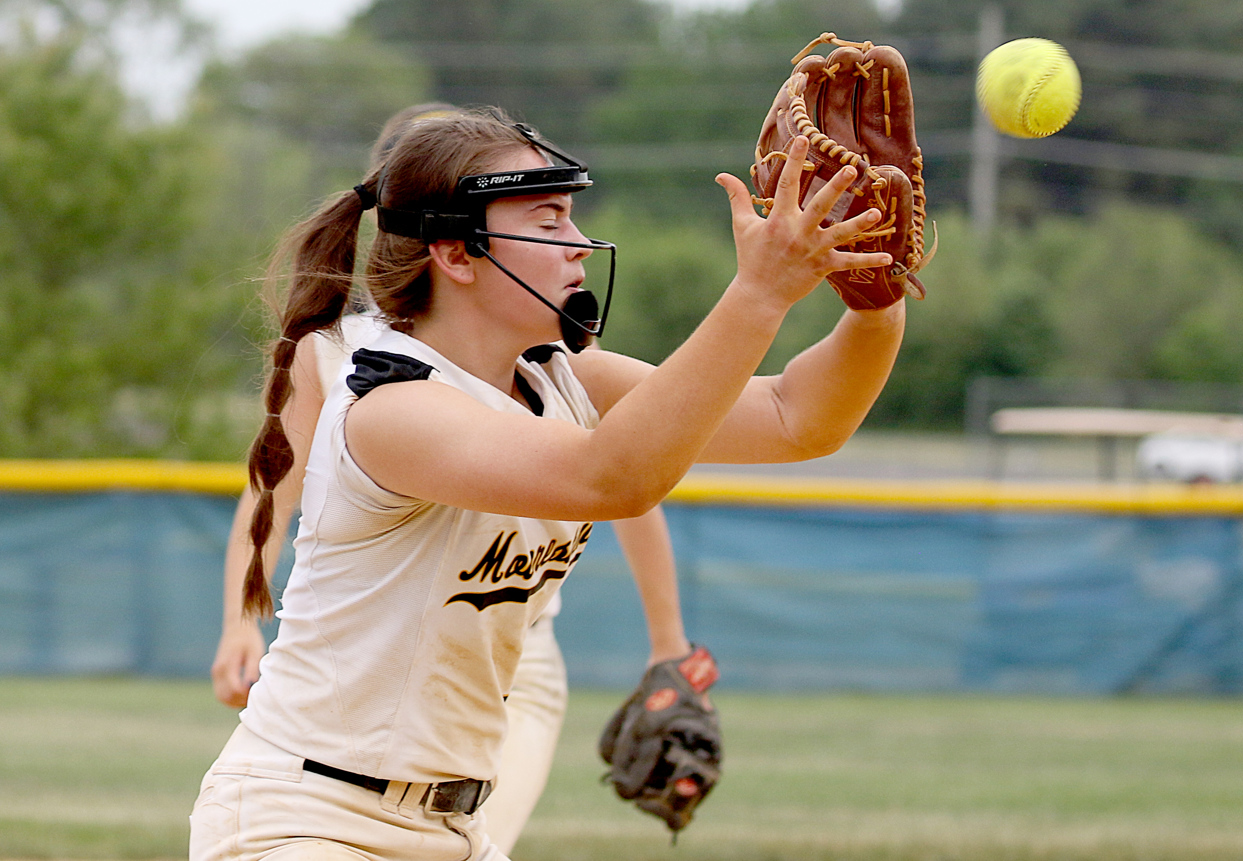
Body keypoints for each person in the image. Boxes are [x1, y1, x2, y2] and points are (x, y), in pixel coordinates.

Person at [190, 106, 903, 860]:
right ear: (456, 255)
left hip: (453, 830)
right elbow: (613, 478)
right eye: (548, 219)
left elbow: (800, 418)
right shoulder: (390, 406)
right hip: (308, 821)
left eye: (570, 217)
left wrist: (874, 290)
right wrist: (759, 293)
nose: (579, 245)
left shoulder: (559, 376)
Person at [208, 105, 692, 854]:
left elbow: (637, 474)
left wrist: (669, 643)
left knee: (476, 818)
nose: (573, 241)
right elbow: (274, 480)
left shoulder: (538, 357)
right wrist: (242, 611)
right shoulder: (356, 364)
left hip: (511, 662)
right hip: (334, 753)